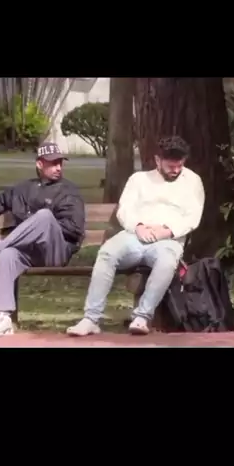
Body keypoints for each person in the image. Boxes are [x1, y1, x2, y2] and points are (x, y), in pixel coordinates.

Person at [67, 136, 205, 337]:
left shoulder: (192, 181)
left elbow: (193, 217)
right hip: (134, 236)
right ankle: (91, 319)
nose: (176, 170)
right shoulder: (138, 180)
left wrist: (167, 231)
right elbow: (124, 210)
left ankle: (142, 317)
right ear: (157, 160)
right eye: (171, 166)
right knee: (107, 253)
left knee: (167, 261)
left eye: (180, 166)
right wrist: (138, 227)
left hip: (168, 240)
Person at [0, 143, 85, 339]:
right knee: (8, 254)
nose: (58, 167)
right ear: (39, 164)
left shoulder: (69, 191)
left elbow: (75, 228)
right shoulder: (23, 189)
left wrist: (43, 227)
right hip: (30, 252)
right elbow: (0, 201)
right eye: (53, 163)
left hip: (57, 250)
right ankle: (3, 317)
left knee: (44, 217)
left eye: (60, 163)